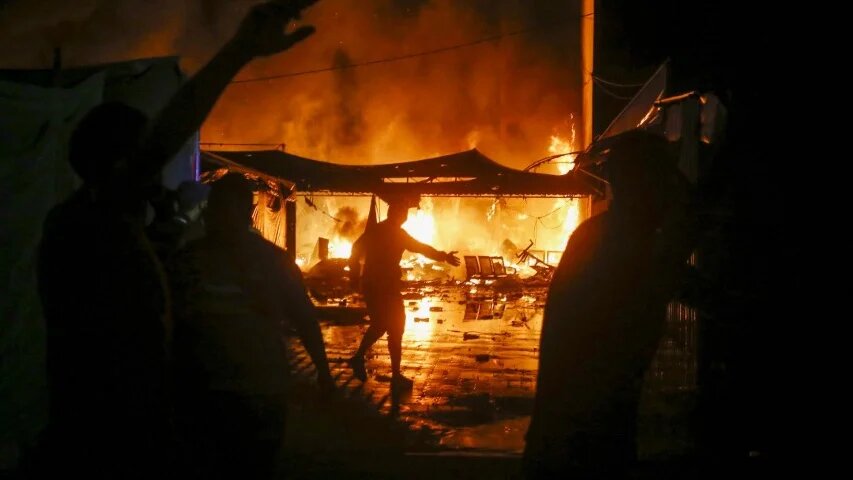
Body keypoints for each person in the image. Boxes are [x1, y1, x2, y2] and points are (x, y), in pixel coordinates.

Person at [34, 2, 320, 477]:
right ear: (118, 165)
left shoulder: (101, 229)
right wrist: (238, 51)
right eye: (143, 157)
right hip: (104, 443)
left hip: (126, 430)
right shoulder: (85, 226)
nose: (157, 172)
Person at [524, 131, 699, 479]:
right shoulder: (626, 244)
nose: (670, 193)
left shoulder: (600, 235)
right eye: (663, 180)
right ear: (644, 186)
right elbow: (689, 284)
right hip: (582, 441)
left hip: (570, 433)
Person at [169, 173, 333, 479]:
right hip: (212, 392)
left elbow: (304, 319)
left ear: (242, 212)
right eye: (216, 208)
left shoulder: (270, 262)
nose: (216, 216)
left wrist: (324, 373)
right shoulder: (187, 260)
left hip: (252, 392)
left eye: (223, 208)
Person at [347, 194, 460, 390]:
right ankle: (371, 363)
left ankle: (381, 368)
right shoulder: (393, 233)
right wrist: (443, 257)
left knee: (390, 326)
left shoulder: (379, 231)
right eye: (403, 212)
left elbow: (356, 249)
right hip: (381, 285)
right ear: (398, 215)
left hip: (377, 284)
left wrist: (355, 276)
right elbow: (421, 248)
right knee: (389, 326)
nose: (405, 216)